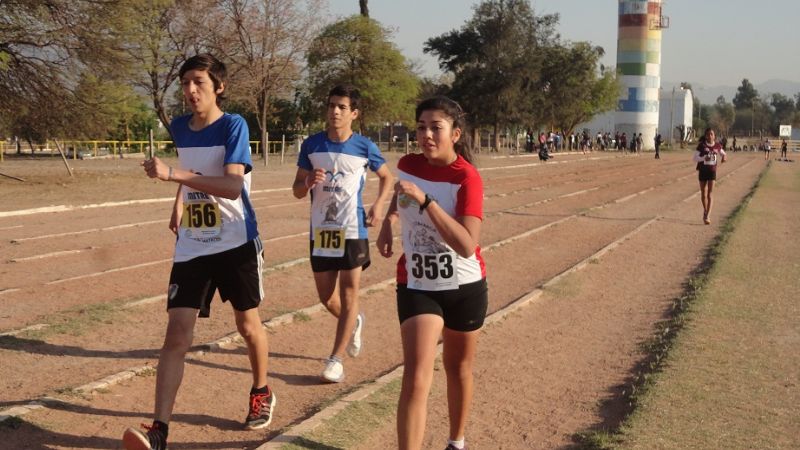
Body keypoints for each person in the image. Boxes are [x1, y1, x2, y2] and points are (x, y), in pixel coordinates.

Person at [123, 54, 275, 450]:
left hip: (236, 241)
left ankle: (261, 390)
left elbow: (229, 186)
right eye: (185, 83)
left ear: (218, 87)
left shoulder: (234, 125)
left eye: (199, 83)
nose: (190, 91)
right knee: (176, 335)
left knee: (247, 325)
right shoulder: (178, 126)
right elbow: (196, 170)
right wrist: (179, 199)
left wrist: (174, 175)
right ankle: (159, 430)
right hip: (193, 243)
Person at [377, 96, 487, 450]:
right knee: (416, 376)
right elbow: (401, 190)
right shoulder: (408, 164)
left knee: (458, 369)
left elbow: (467, 244)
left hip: (464, 285)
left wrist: (427, 201)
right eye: (421, 127)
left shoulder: (467, 178)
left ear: (455, 134)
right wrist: (390, 220)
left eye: (435, 128)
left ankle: (456, 441)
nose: (426, 134)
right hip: (418, 283)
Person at [292, 85, 393, 383]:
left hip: (353, 228)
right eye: (331, 105)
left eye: (342, 107)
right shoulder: (311, 146)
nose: (335, 111)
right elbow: (297, 191)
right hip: (321, 230)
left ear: (354, 114)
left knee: (350, 293)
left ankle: (335, 359)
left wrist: (378, 204)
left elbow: (387, 176)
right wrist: (309, 180)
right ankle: (355, 322)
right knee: (327, 297)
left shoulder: (364, 147)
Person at [693, 127, 727, 225]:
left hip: (712, 171)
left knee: (710, 194)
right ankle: (705, 210)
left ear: (714, 136)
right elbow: (695, 158)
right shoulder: (701, 146)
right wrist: (704, 157)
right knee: (703, 193)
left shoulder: (717, 145)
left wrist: (724, 158)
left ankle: (708, 215)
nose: (710, 136)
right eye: (708, 134)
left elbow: (724, 154)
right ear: (706, 136)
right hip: (703, 171)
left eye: (711, 134)